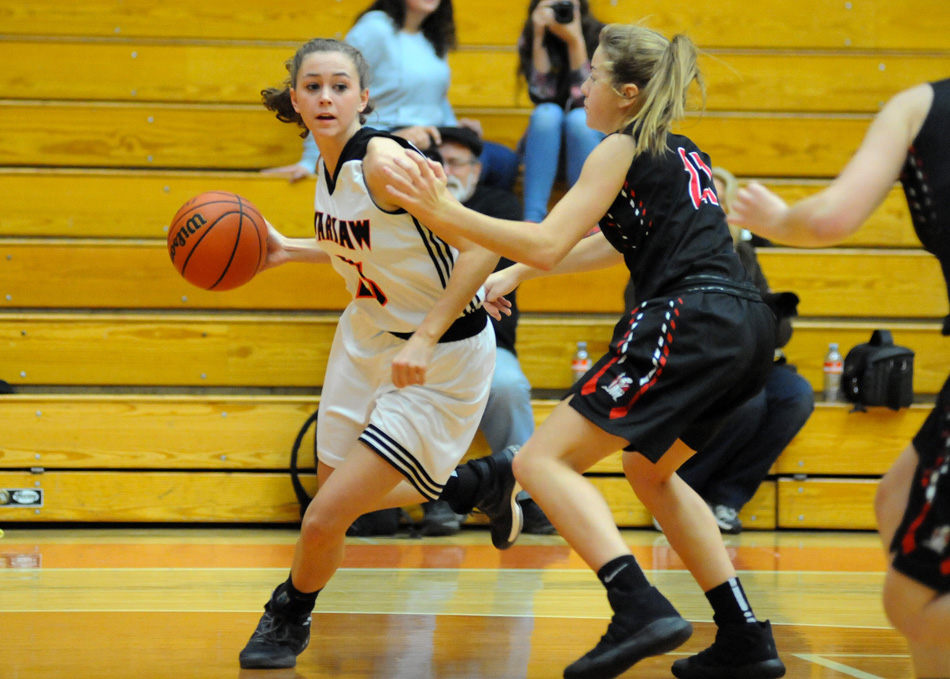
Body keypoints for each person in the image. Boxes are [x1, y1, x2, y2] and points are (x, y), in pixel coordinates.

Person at [385, 22, 786, 679]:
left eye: (593, 75)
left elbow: (545, 238)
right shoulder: (680, 152)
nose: (583, 84)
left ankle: (636, 605)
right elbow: (614, 241)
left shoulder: (619, 147)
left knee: (542, 461)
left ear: (626, 93)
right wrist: (517, 273)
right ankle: (745, 634)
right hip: (746, 325)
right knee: (650, 473)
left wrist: (442, 211)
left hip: (688, 317)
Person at [238, 38, 525, 671]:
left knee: (324, 518)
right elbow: (365, 244)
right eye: (312, 86)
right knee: (333, 494)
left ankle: (288, 615)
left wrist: (427, 332)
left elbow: (481, 247)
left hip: (439, 356)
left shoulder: (386, 161)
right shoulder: (329, 161)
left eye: (339, 85)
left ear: (364, 98)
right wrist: (289, 248)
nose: (325, 97)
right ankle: (478, 481)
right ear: (295, 98)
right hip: (367, 336)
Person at [731, 79, 950, 679]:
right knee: (895, 499)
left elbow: (828, 220)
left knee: (912, 600)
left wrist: (776, 217)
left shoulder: (919, 106)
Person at [630, 167, 815, 534]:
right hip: (692, 362)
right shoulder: (659, 249)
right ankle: (679, 495)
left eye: (716, 202)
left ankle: (727, 499)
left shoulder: (742, 253)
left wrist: (769, 314)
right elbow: (643, 321)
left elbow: (781, 333)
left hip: (748, 359)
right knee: (746, 401)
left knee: (796, 395)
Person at [419, 127, 555, 536]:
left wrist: (440, 208)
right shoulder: (408, 211)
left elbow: (488, 274)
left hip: (488, 340)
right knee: (412, 389)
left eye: (457, 162)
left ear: (478, 170)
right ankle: (436, 498)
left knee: (509, 386)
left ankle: (528, 499)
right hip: (422, 344)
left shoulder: (499, 206)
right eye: (437, 162)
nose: (447, 170)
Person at [264, 0, 520, 191]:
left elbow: (436, 98)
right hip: (384, 133)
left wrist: (457, 128)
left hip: (433, 132)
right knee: (462, 165)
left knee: (503, 161)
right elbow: (329, 85)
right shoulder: (375, 28)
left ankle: (479, 245)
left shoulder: (431, 37)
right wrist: (313, 160)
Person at [516, 0, 605, 223]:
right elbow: (542, 95)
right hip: (545, 145)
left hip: (589, 140)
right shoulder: (531, 35)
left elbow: (587, 100)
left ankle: (583, 221)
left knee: (578, 119)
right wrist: (538, 37)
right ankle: (532, 220)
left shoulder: (601, 36)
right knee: (546, 113)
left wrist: (575, 41)